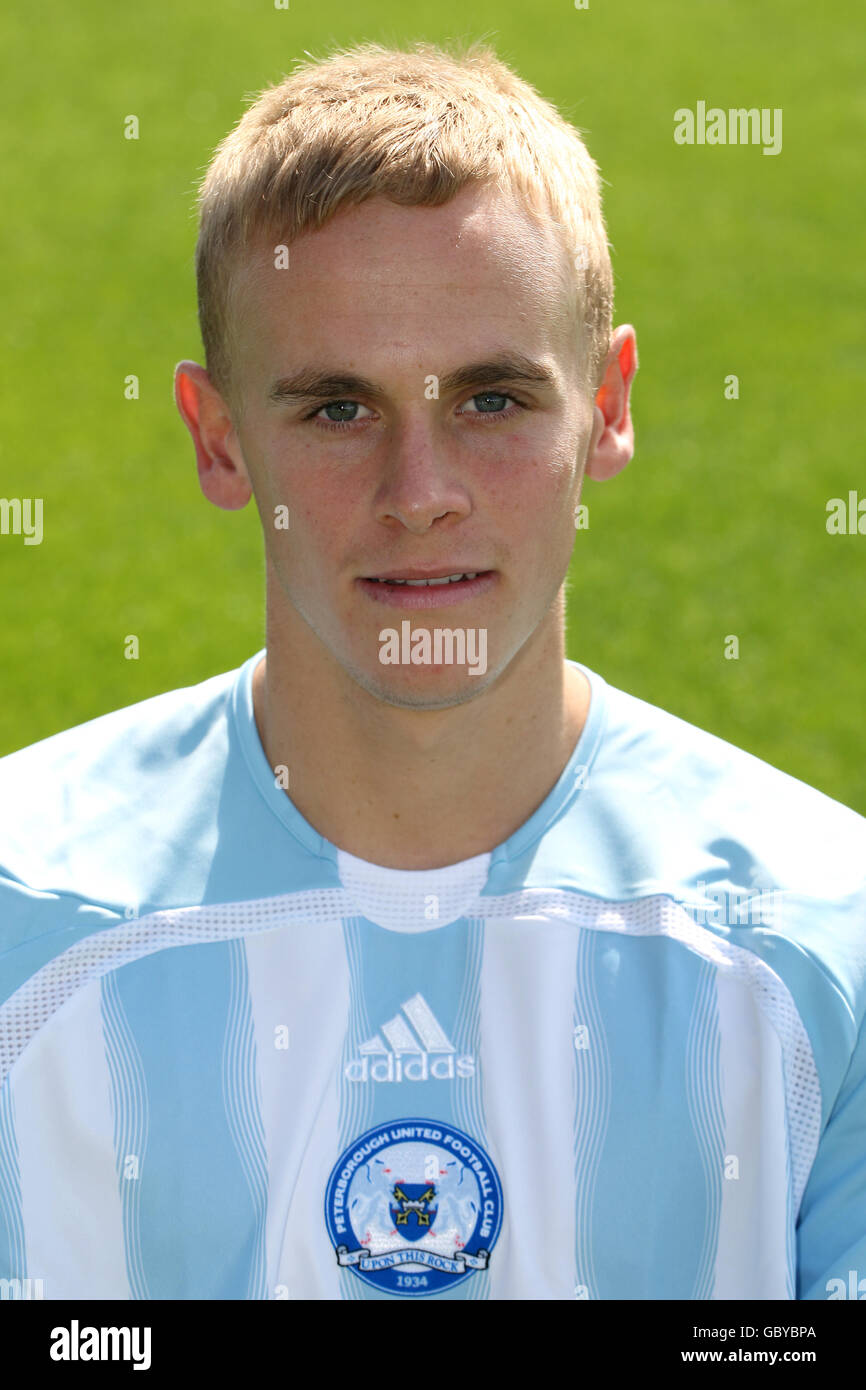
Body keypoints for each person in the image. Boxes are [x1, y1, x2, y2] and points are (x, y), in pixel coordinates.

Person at [0, 39, 863, 1303]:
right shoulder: (27, 917)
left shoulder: (820, 939)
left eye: (493, 398)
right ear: (221, 438)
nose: (421, 495)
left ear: (607, 408)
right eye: (337, 408)